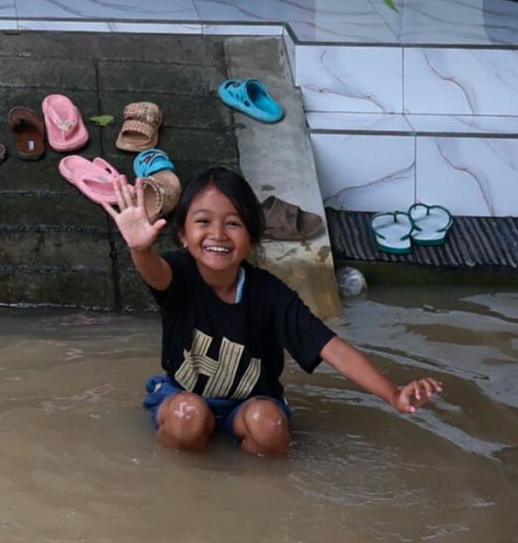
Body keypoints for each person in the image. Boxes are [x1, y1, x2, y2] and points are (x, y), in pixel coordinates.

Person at [101, 164, 441, 456]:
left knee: (270, 427)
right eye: (203, 221)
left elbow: (332, 348)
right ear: (183, 236)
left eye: (233, 224)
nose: (217, 233)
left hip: (251, 406)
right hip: (183, 398)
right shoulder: (178, 275)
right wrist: (140, 249)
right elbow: (154, 273)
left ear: (252, 238)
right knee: (187, 416)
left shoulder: (270, 296)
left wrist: (393, 394)